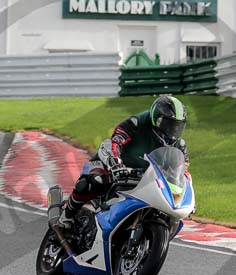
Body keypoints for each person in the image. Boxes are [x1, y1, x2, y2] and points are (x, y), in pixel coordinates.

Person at [58, 95, 189, 230]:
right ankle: (67, 215)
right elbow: (114, 143)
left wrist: (185, 195)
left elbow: (182, 172)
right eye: (168, 125)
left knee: (173, 218)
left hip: (146, 178)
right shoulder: (136, 123)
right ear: (156, 119)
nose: (172, 131)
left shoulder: (180, 145)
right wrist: (116, 164)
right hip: (114, 166)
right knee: (95, 181)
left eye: (177, 127)